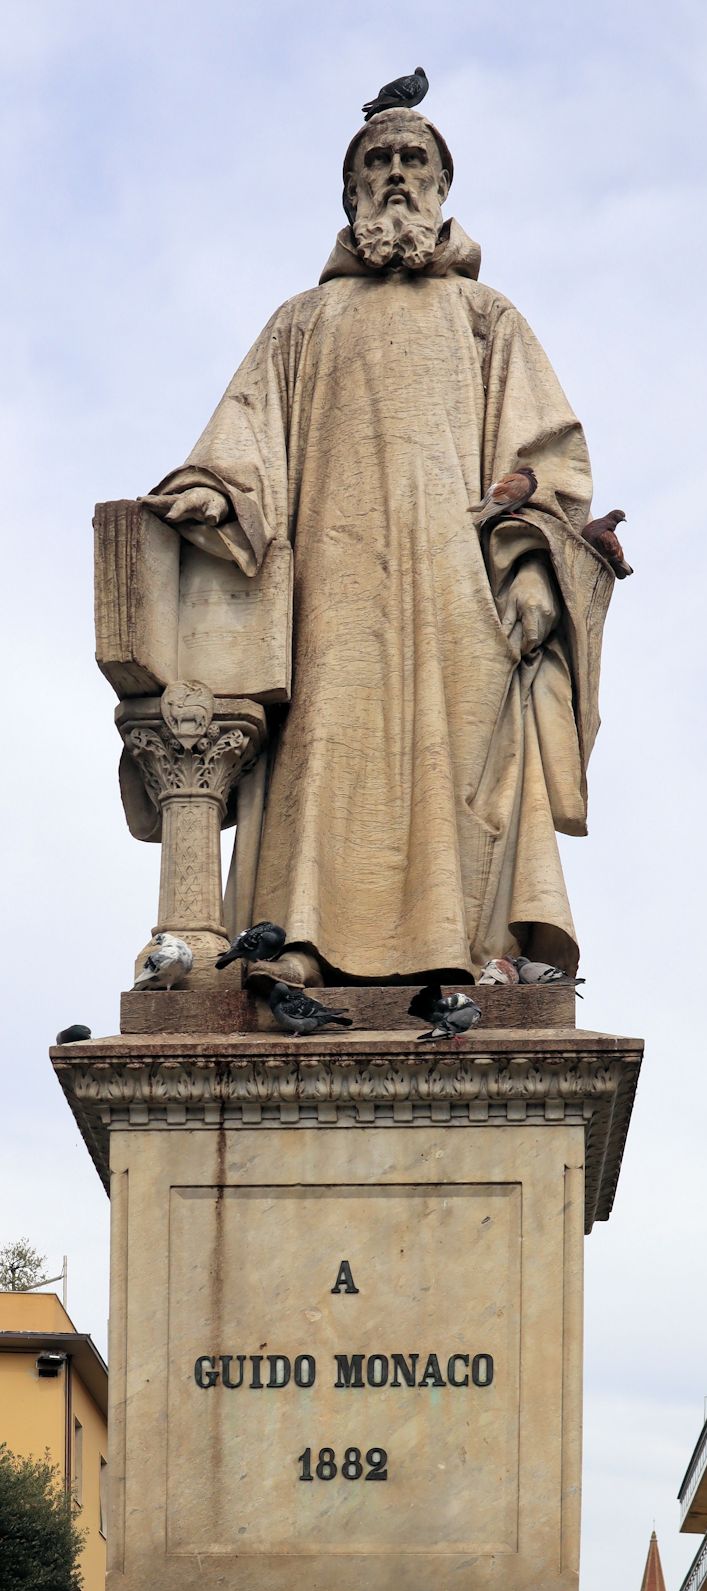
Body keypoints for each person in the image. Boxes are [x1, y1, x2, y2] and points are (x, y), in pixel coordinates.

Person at [143, 109, 614, 985]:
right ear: (353, 188)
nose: (397, 173)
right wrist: (214, 487)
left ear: (441, 187)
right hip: (333, 584)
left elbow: (545, 462)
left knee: (457, 761)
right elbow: (243, 440)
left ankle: (459, 950)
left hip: (455, 591)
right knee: (324, 746)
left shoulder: (486, 317)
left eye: (415, 159)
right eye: (378, 160)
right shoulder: (301, 323)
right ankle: (298, 943)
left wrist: (534, 572)